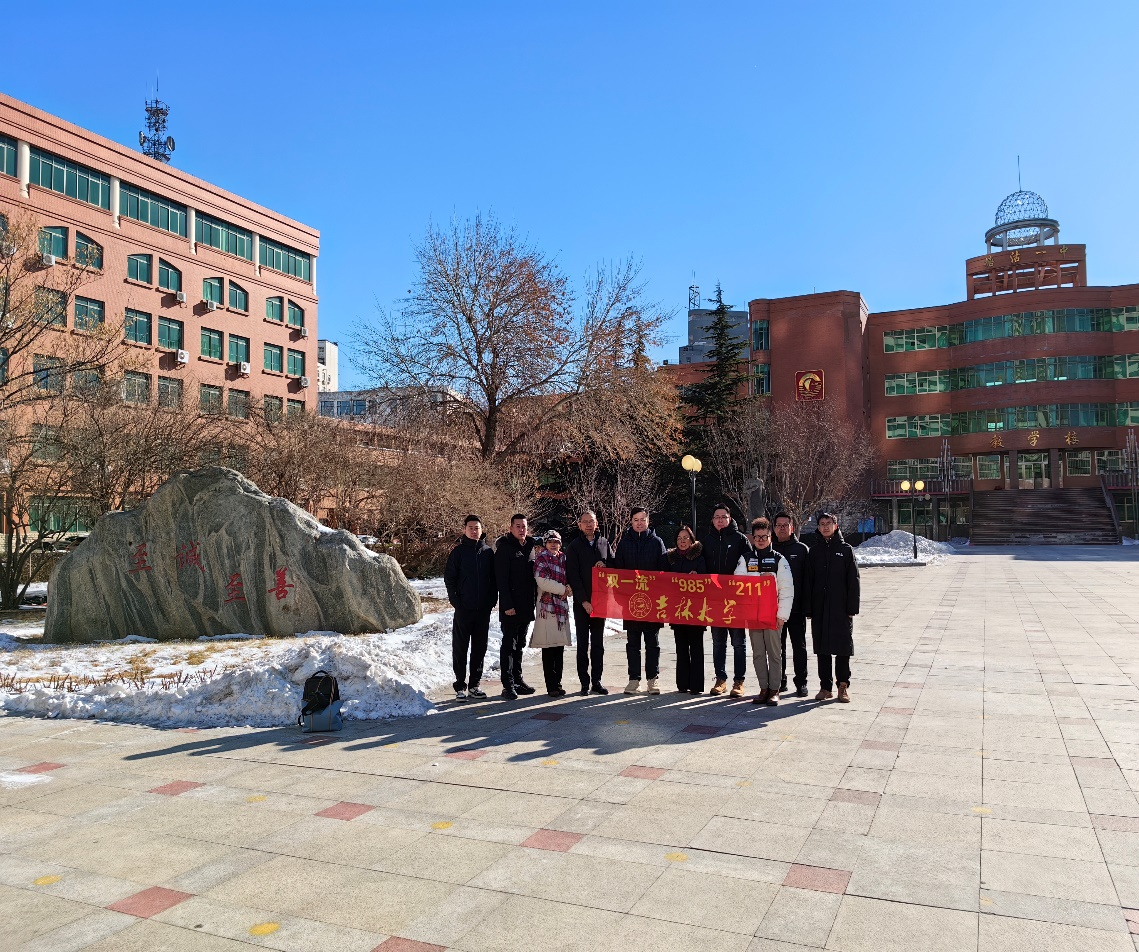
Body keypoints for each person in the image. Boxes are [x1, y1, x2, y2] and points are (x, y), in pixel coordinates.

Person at [803, 511, 861, 703]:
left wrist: (852, 608)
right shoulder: (814, 552)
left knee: (843, 647)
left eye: (829, 523)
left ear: (836, 526)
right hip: (820, 608)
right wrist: (809, 608)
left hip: (841, 608)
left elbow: (854, 581)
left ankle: (842, 686)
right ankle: (825, 687)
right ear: (818, 527)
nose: (825, 526)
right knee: (822, 648)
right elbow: (808, 582)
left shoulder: (846, 550)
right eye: (822, 523)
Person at [612, 507, 667, 695]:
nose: (639, 523)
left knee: (652, 643)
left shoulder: (657, 542)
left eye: (642, 519)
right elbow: (618, 572)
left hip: (652, 602)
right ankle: (634, 680)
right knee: (633, 644)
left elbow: (663, 572)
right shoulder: (624, 543)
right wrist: (621, 598)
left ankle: (653, 679)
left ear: (648, 521)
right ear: (631, 521)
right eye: (636, 519)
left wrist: (659, 597)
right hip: (631, 602)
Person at [443, 515, 497, 701]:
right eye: (471, 528)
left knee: (479, 648)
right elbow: (449, 578)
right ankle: (460, 686)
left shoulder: (488, 552)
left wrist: (491, 601)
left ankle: (474, 685)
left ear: (482, 530)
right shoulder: (458, 552)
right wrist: (456, 601)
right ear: (464, 529)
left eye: (477, 528)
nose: (474, 531)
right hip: (464, 608)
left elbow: (493, 580)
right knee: (460, 647)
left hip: (483, 610)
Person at [699, 505, 750, 697]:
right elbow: (701, 567)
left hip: (736, 600)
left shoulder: (740, 540)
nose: (720, 520)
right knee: (718, 642)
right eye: (717, 517)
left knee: (738, 642)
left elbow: (750, 565)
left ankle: (739, 681)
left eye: (723, 517)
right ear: (712, 520)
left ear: (730, 518)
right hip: (715, 601)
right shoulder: (706, 541)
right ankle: (720, 679)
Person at [742, 517, 793, 706]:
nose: (761, 540)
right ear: (753, 538)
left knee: (774, 653)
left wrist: (782, 615)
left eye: (764, 536)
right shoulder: (745, 559)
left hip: (773, 616)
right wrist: (757, 579)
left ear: (770, 537)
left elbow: (787, 589)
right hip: (754, 615)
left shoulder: (780, 560)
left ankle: (774, 689)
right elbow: (738, 584)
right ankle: (763, 688)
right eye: (757, 537)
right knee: (757, 653)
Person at [565, 510, 611, 695]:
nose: (589, 525)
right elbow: (573, 575)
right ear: (580, 525)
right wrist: (583, 600)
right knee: (583, 644)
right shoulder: (574, 546)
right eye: (585, 522)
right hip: (581, 604)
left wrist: (606, 565)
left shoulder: (604, 543)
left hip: (600, 602)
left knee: (598, 645)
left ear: (596, 523)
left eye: (591, 521)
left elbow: (614, 566)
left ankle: (597, 681)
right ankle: (584, 682)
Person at [494, 513, 539, 700]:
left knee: (520, 645)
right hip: (511, 606)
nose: (522, 529)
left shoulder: (530, 546)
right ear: (511, 528)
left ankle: (518, 680)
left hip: (526, 605)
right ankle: (508, 684)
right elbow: (501, 580)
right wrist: (507, 604)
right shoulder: (504, 548)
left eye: (524, 526)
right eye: (518, 526)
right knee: (509, 645)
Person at [665, 525, 707, 694]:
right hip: (677, 609)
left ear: (691, 540)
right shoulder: (670, 558)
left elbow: (706, 581)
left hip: (695, 609)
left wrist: (697, 577)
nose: (682, 541)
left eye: (685, 538)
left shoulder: (699, 558)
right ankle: (682, 684)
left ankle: (696, 685)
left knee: (696, 647)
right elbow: (663, 580)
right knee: (681, 647)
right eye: (679, 539)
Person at [773, 511, 810, 698]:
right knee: (778, 647)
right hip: (774, 609)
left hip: (796, 609)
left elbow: (809, 580)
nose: (782, 528)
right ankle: (780, 681)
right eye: (778, 525)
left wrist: (807, 606)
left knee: (799, 646)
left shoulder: (802, 549)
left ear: (792, 527)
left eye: (785, 525)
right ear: (774, 528)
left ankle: (801, 682)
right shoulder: (768, 549)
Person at [531, 530, 572, 697]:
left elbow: (570, 577)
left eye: (556, 542)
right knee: (548, 648)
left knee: (559, 647)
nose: (553, 545)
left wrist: (569, 588)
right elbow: (543, 581)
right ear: (545, 544)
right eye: (550, 542)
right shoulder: (541, 558)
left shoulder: (564, 559)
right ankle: (551, 685)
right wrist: (563, 589)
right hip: (546, 608)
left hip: (561, 607)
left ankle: (558, 682)